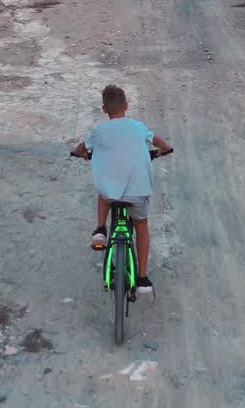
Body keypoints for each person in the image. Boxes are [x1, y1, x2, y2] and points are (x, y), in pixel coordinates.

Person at [72, 84, 172, 294]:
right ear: (126, 105)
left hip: (111, 193)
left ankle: (100, 229)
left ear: (104, 109)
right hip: (139, 191)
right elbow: (159, 142)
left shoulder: (99, 130)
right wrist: (165, 149)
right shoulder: (137, 126)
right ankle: (143, 278)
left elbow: (81, 149)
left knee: (104, 191)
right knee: (141, 226)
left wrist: (80, 154)